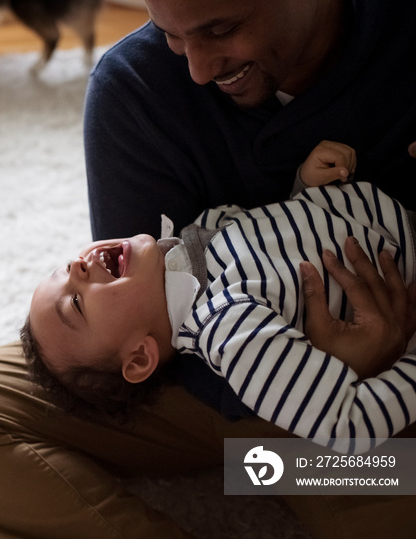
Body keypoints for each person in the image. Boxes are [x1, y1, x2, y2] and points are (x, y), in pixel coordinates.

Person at [0, 1, 416, 539]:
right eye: (170, 35)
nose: (197, 68)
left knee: (386, 496)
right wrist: (325, 364)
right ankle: (259, 473)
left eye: (221, 29)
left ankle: (267, 471)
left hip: (330, 410)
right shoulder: (133, 89)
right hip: (181, 380)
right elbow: (131, 322)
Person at [22, 141, 416, 454]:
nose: (77, 267)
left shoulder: (197, 235)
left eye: (64, 267)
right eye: (75, 302)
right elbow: (346, 425)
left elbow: (285, 243)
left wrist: (305, 188)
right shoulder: (231, 333)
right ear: (140, 356)